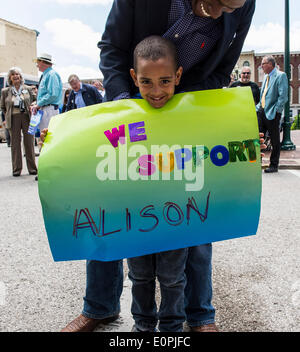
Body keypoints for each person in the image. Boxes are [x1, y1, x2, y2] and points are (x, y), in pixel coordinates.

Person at [62, 0, 256, 333]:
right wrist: (125, 103)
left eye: (230, 8)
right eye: (216, 3)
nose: (220, 13)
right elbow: (111, 46)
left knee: (193, 210)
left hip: (184, 111)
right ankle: (100, 306)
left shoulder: (242, 4)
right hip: (130, 106)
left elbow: (222, 68)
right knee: (112, 211)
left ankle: (199, 314)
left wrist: (186, 110)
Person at [126, 36, 187, 332]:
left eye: (165, 81)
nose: (157, 91)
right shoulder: (125, 118)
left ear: (177, 76)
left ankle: (173, 326)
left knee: (173, 277)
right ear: (134, 78)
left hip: (176, 214)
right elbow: (93, 143)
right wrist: (56, 138)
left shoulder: (191, 115)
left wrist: (247, 144)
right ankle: (143, 324)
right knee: (139, 276)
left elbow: (217, 147)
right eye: (147, 82)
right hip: (134, 214)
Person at [0, 67, 37, 177]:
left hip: (26, 116)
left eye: (18, 75)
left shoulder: (28, 89)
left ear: (21, 77)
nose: (16, 76)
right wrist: (5, 119)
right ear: (10, 78)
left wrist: (33, 105)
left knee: (29, 143)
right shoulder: (5, 91)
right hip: (13, 118)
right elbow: (2, 106)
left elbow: (35, 99)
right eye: (13, 75)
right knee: (15, 144)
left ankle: (32, 168)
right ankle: (16, 169)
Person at [256, 55, 288, 173]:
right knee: (258, 138)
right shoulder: (265, 77)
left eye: (263, 63)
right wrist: (258, 107)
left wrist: (276, 111)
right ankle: (256, 164)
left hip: (272, 113)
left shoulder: (281, 76)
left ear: (270, 64)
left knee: (275, 140)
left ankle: (274, 165)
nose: (261, 66)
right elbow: (263, 94)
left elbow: (283, 97)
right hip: (262, 111)